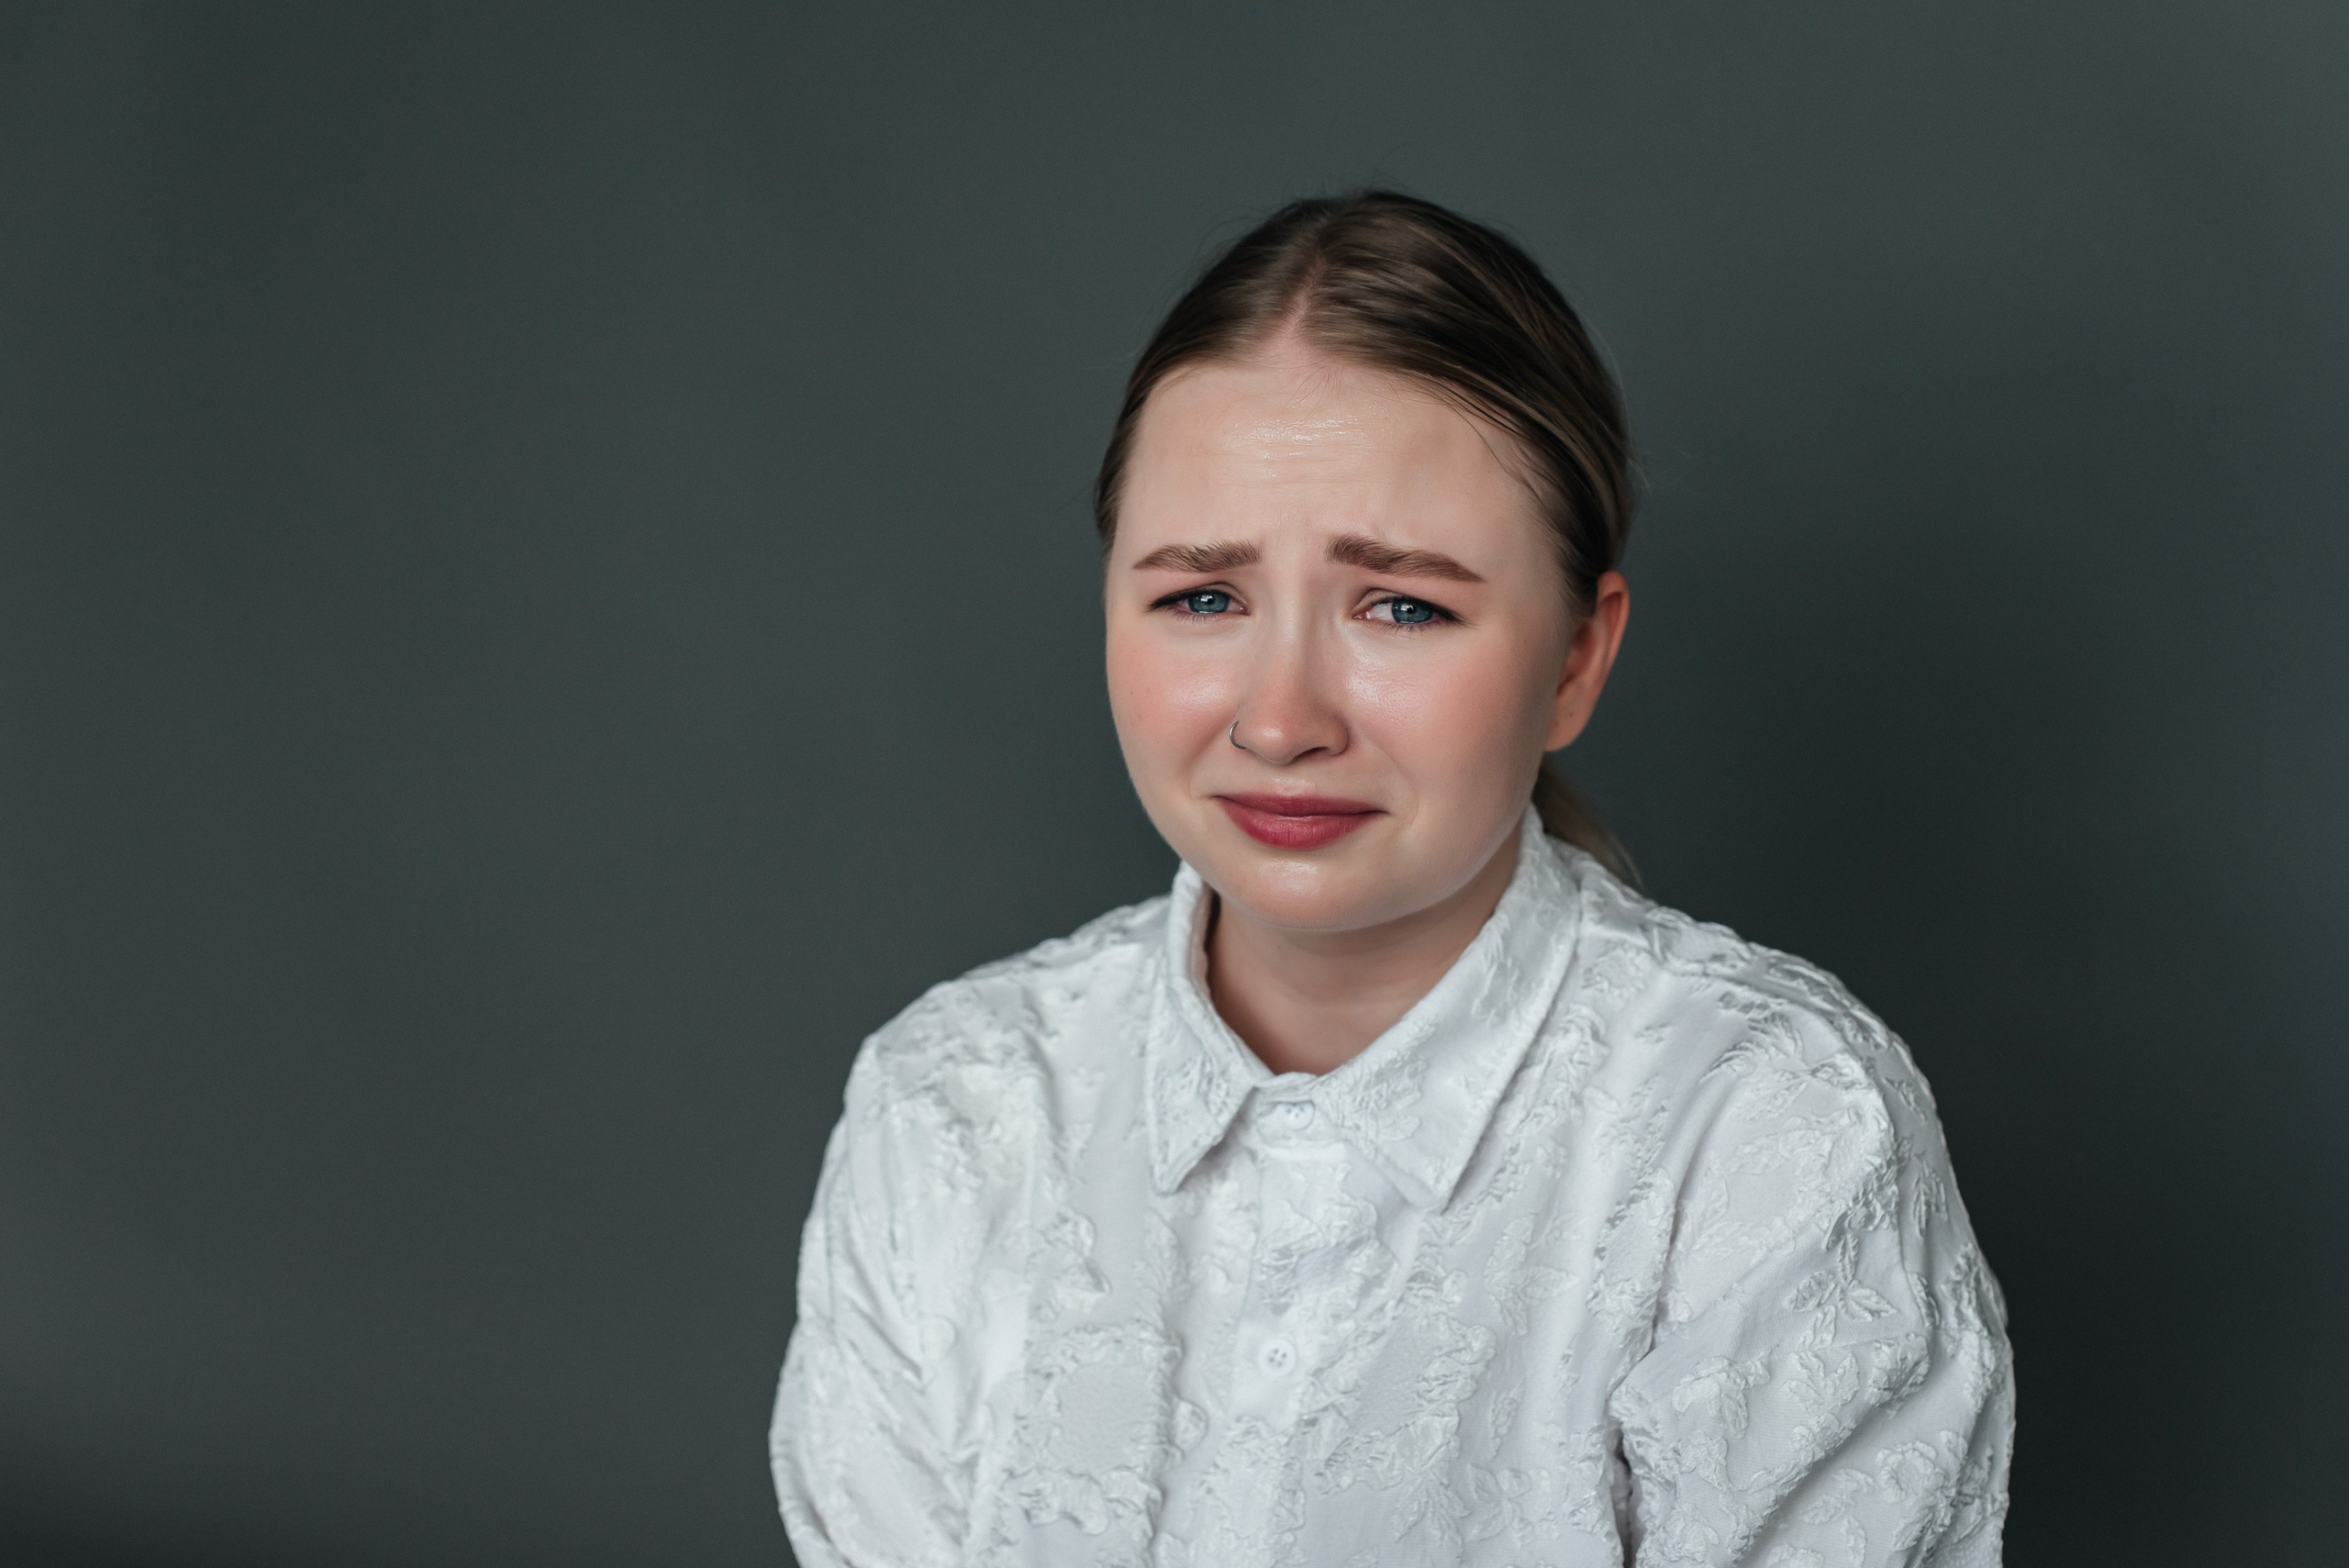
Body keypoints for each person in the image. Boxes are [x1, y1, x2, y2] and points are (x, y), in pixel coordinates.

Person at [769, 191, 2013, 1566]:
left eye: (1402, 605)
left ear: (1577, 658)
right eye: (1202, 597)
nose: (1281, 718)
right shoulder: (953, 1105)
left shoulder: (1766, 1130)